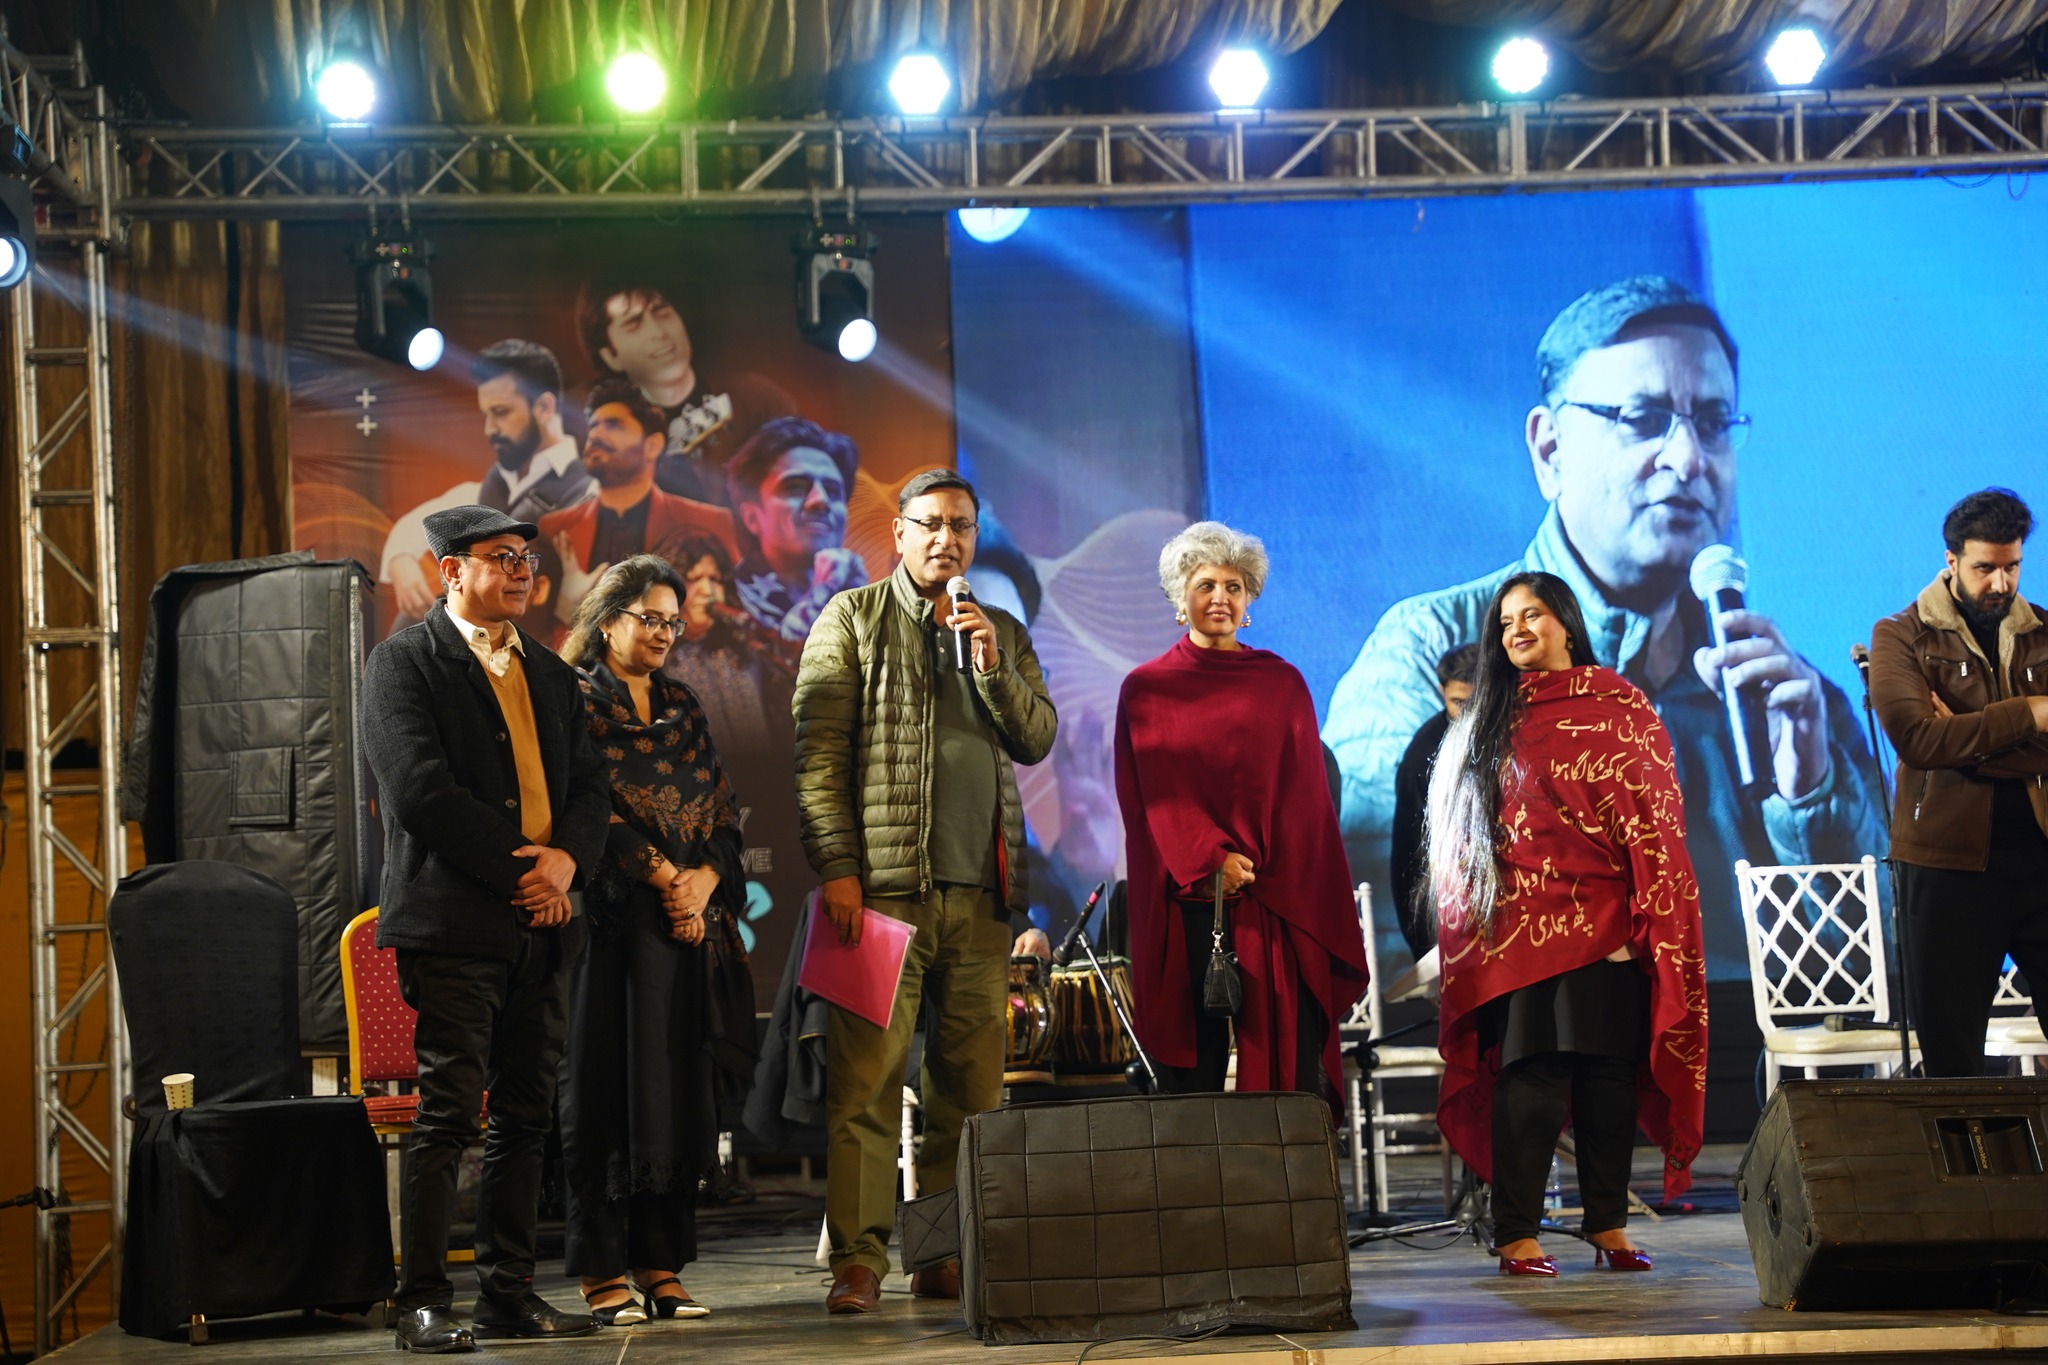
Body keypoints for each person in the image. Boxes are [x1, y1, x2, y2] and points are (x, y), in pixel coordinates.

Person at [1323, 275, 1885, 980]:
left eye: (1714, 423)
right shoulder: (1435, 649)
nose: (1689, 459)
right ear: (1550, 450)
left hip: (1746, 1047)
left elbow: (1889, 969)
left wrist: (1811, 800)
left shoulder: (1790, 702)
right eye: (1643, 418)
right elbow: (1387, 947)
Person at [793, 467, 1057, 1314]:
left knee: (969, 1093)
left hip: (981, 899)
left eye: (961, 526)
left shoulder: (1001, 630)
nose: (948, 538)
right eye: (932, 523)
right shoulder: (852, 618)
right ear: (900, 532)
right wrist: (838, 867)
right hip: (876, 897)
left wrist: (991, 666)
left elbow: (1037, 737)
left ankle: (941, 1254)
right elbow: (817, 756)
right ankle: (858, 1260)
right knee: (864, 1086)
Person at [360, 505, 611, 1352]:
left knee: (527, 1118)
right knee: (447, 1114)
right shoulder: (403, 662)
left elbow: (590, 788)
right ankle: (423, 1302)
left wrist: (567, 863)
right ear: (449, 570)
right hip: (455, 922)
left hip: (546, 923)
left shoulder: (549, 671)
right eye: (501, 557)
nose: (521, 572)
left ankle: (508, 1293)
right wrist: (526, 872)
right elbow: (420, 791)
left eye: (527, 560)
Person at [1428, 571, 1707, 1278]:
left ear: (1567, 622)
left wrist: (1650, 909)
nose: (1517, 630)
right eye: (1505, 622)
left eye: (1532, 615)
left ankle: (1608, 1224)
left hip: (1610, 921)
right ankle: (1516, 1233)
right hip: (1522, 930)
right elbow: (1462, 837)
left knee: (1609, 1077)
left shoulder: (1622, 704)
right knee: (1535, 1074)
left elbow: (1655, 813)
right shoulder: (1489, 717)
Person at [555, 554, 751, 1327]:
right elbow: (584, 810)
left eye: (674, 620)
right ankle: (602, 1271)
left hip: (682, 934)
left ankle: (660, 1266)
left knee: (672, 1096)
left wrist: (701, 880)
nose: (667, 632)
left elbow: (723, 812)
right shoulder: (573, 700)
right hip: (607, 931)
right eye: (652, 618)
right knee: (606, 1094)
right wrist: (665, 875)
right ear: (609, 621)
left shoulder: (682, 704)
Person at [1114, 521, 1368, 1097]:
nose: (1220, 598)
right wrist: (1210, 862)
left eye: (1233, 586)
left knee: (1289, 1079)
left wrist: (1260, 869)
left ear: (1249, 598)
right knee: (1191, 1080)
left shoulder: (1282, 684)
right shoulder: (1146, 688)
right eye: (1205, 585)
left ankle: (1284, 1161)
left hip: (1275, 898)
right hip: (1188, 898)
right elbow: (1152, 799)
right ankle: (1194, 1163)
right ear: (1181, 597)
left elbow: (1305, 804)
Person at [1870, 487, 2048, 1077]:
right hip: (1947, 866)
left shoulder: (2043, 632)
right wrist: (2034, 713)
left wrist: (1966, 742)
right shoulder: (1901, 634)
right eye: (1984, 568)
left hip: (2041, 856)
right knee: (1953, 1060)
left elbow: (1944, 743)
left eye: (2012, 566)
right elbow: (1919, 741)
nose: (2001, 583)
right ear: (1951, 561)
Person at [379, 340, 592, 628]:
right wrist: (402, 561)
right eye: (486, 414)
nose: (489, 429)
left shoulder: (590, 492)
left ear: (544, 406)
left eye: (501, 412)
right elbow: (414, 526)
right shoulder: (486, 489)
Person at [572, 267, 795, 506]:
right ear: (611, 356)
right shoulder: (586, 422)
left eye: (662, 312)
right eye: (634, 324)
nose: (659, 332)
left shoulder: (756, 400)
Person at [540, 381, 738, 640]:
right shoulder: (554, 529)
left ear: (652, 445)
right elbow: (530, 635)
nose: (595, 435)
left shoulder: (711, 523)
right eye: (593, 426)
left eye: (614, 425)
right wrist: (565, 610)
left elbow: (735, 624)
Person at [725, 415, 867, 664]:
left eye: (833, 491)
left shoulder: (866, 601)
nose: (820, 500)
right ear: (752, 518)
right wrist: (822, 591)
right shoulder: (725, 602)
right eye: (795, 487)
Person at [660, 533, 791, 763]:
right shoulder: (658, 661)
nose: (707, 590)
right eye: (694, 579)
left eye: (715, 579)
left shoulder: (743, 651)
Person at [1389, 644, 1481, 958]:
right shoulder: (1422, 757)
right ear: (1442, 691)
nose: (1469, 714)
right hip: (1452, 918)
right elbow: (1409, 854)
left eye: (1477, 702)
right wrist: (1424, 947)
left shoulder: (1513, 731)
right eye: (1459, 703)